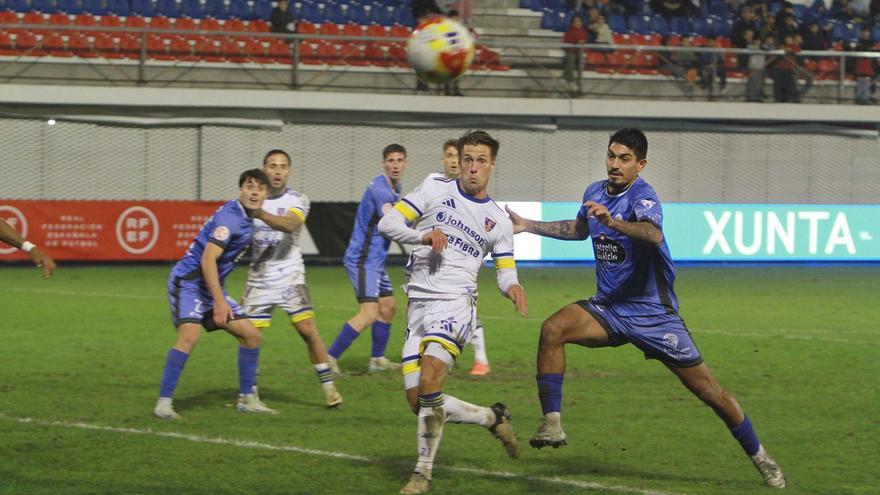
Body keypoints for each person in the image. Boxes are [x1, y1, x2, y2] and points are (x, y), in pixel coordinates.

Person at [506, 128, 787, 489]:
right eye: (611, 155)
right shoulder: (594, 192)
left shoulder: (643, 196)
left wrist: (614, 222)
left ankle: (762, 458)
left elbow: (653, 234)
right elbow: (579, 229)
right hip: (609, 308)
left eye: (624, 159)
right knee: (553, 329)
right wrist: (528, 225)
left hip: (653, 316)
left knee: (711, 393)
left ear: (640, 164)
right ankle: (553, 423)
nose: (615, 164)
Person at [378, 130, 527, 494]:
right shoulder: (433, 186)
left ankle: (422, 474)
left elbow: (505, 270)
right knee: (419, 403)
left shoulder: (498, 220)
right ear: (458, 161)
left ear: (492, 165)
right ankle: (491, 417)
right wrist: (423, 236)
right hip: (418, 307)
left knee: (430, 380)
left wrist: (513, 287)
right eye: (468, 159)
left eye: (481, 161)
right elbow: (388, 223)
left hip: (456, 306)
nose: (473, 168)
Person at [154, 169, 277, 420]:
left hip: (210, 287)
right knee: (190, 335)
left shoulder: (247, 216)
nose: (254, 192)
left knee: (251, 336)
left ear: (265, 193)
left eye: (260, 188)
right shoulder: (230, 219)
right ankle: (163, 403)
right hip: (189, 283)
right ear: (240, 190)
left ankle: (247, 399)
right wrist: (220, 302)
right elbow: (207, 259)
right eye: (249, 186)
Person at [240, 150, 342, 408]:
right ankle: (248, 394)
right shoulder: (248, 200)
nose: (277, 171)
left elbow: (289, 225)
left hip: (290, 278)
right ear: (264, 169)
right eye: (272, 166)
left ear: (289, 171)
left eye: (282, 166)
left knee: (308, 330)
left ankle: (329, 389)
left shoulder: (298, 199)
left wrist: (258, 213)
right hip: (259, 281)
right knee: (250, 337)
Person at [326, 144, 407, 374]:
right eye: (391, 160)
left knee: (388, 307)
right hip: (362, 259)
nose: (395, 165)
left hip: (375, 261)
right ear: (384, 164)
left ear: (405, 164)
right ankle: (329, 357)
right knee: (370, 313)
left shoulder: (395, 187)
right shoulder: (381, 190)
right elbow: (395, 222)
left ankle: (377, 359)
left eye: (399, 160)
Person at [427, 139, 492, 375]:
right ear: (444, 159)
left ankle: (481, 360)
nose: (454, 160)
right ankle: (436, 356)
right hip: (435, 260)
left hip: (461, 262)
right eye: (450, 155)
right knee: (431, 308)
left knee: (464, 305)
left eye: (457, 156)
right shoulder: (434, 186)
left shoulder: (471, 189)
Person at [562, 15, 589, 90]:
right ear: (573, 23)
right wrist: (576, 43)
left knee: (580, 59)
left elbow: (585, 44)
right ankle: (570, 80)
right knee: (570, 58)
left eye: (579, 21)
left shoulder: (584, 32)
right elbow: (565, 45)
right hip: (571, 52)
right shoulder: (569, 32)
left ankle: (565, 78)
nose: (578, 23)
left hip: (580, 52)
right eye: (576, 21)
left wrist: (582, 44)